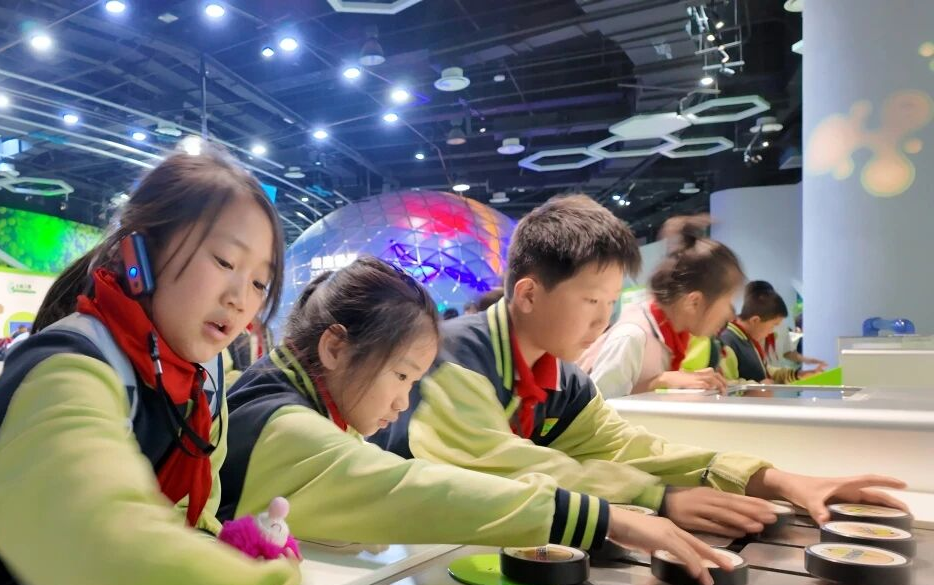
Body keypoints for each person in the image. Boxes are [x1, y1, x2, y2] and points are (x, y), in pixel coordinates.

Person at [0, 148, 594, 585]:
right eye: (223, 261)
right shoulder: (66, 366)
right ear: (141, 249)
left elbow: (193, 523)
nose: (239, 298)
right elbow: (104, 527)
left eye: (258, 282)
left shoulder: (199, 378)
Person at [376, 195, 907, 536]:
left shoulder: (564, 378)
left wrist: (774, 479)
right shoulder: (451, 355)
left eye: (610, 302)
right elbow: (497, 464)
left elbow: (632, 446)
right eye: (590, 301)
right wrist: (656, 498)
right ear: (529, 294)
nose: (602, 320)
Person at [222, 256, 730, 575]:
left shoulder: (291, 388)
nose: (601, 321)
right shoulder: (282, 420)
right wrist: (604, 515)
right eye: (401, 376)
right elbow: (408, 486)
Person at [580, 215, 737, 397]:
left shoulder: (668, 334)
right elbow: (593, 405)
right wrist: (660, 381)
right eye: (727, 301)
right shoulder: (633, 336)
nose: (730, 315)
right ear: (694, 301)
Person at [718, 282, 799, 384]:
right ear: (755, 320)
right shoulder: (728, 342)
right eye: (773, 325)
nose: (771, 331)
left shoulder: (747, 339)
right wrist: (759, 386)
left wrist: (796, 375)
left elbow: (763, 371)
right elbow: (725, 385)